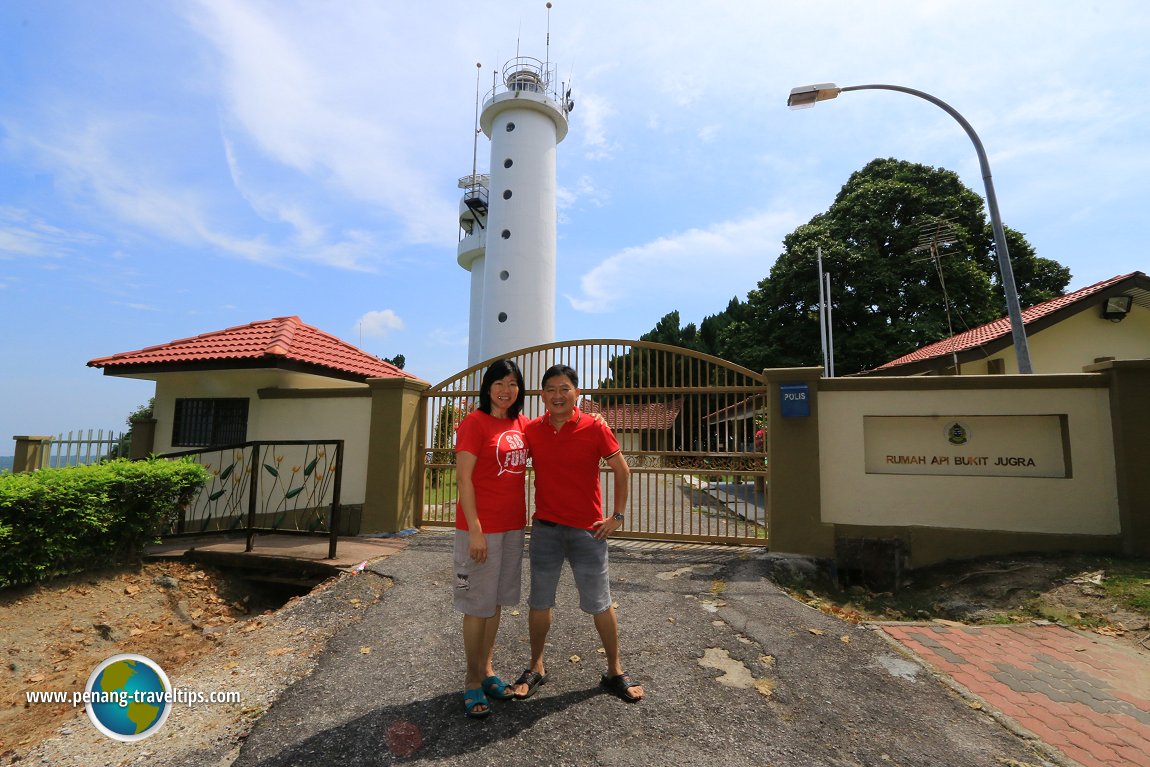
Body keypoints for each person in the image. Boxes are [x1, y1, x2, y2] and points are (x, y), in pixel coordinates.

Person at [511, 363, 645, 703]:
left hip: (589, 532)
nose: (558, 395)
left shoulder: (594, 427)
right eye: (551, 389)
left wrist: (617, 516)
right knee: (540, 602)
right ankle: (536, 666)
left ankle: (615, 670)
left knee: (600, 602)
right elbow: (504, 440)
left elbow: (622, 470)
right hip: (546, 531)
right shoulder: (531, 430)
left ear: (577, 394)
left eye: (564, 388)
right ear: (542, 395)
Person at [453, 359, 530, 718]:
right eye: (499, 382)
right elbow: (464, 480)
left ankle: (486, 669)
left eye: (513, 383)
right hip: (480, 528)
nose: (505, 389)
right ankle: (471, 680)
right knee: (476, 605)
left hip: (513, 526)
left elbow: (555, 427)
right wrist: (476, 530)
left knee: (496, 602)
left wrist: (595, 419)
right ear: (487, 387)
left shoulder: (521, 423)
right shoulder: (474, 423)